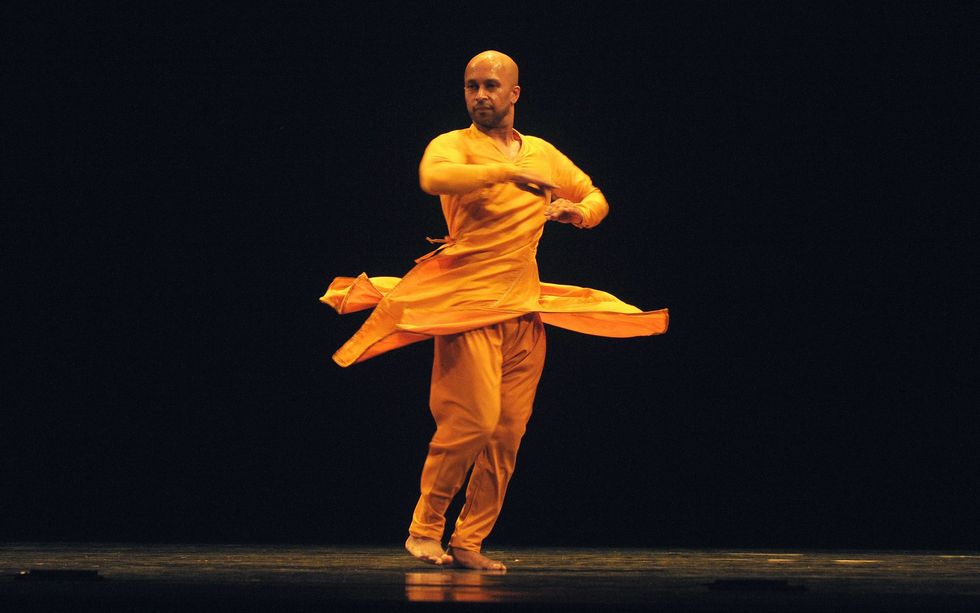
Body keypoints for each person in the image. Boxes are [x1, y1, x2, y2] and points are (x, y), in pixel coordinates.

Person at [321, 51, 668, 570]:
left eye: (489, 86)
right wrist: (504, 172)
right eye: (470, 86)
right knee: (473, 422)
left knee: (506, 435)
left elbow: (594, 194)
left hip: (525, 311)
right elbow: (433, 177)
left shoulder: (545, 154)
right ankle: (424, 529)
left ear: (514, 94)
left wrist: (580, 212)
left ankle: (469, 542)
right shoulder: (452, 146)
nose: (480, 95)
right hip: (467, 306)